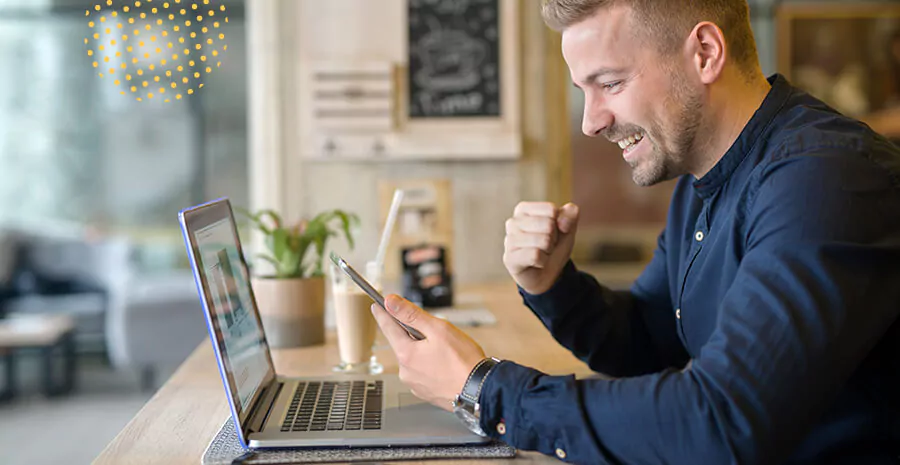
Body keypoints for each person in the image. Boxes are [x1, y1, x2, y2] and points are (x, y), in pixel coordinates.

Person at [370, 0, 900, 463]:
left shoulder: (826, 180)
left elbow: (719, 424)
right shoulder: (703, 178)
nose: (591, 121)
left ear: (706, 53)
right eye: (585, 89)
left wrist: (485, 390)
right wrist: (552, 286)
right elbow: (650, 340)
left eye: (611, 83)